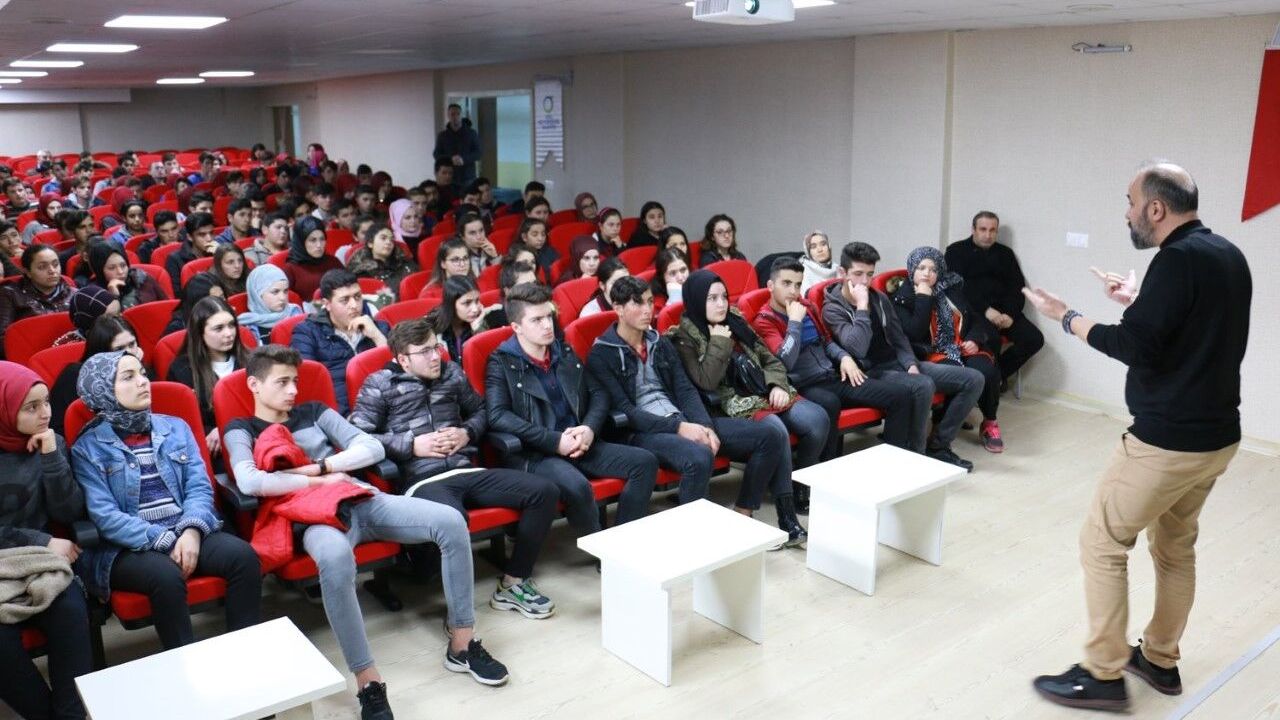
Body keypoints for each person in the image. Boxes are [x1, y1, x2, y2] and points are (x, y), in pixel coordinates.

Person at [1028, 162, 1251, 713]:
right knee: (1174, 546)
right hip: (1216, 437)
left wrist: (1066, 316)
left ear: (1156, 207)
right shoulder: (1226, 254)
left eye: (1130, 202)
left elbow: (1133, 347)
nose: (1126, 213)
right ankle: (1159, 659)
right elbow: (1185, 332)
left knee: (1102, 542)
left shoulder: (1175, 261)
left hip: (1167, 441)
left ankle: (1102, 674)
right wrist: (1137, 303)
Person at [224, 345, 509, 718]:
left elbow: (371, 447)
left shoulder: (315, 411)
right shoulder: (241, 429)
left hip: (360, 498)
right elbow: (250, 481)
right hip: (316, 517)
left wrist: (320, 467)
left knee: (451, 521)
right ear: (254, 385)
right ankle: (367, 681)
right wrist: (317, 482)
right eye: (282, 382)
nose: (293, 390)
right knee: (335, 557)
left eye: (295, 380)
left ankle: (462, 643)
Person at [351, 318, 560, 619]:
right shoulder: (380, 384)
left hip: (465, 469)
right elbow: (357, 437)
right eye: (424, 351)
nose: (435, 356)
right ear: (403, 360)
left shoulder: (452, 373)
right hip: (422, 479)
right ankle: (452, 609)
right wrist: (410, 445)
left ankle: (514, 582)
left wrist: (466, 433)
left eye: (436, 347)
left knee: (544, 491)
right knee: (452, 519)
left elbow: (481, 411)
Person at [586, 277, 802, 545]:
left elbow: (685, 390)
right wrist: (681, 428)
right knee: (699, 457)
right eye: (637, 304)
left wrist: (705, 426)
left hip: (683, 419)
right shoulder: (602, 354)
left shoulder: (659, 342)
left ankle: (744, 512)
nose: (647, 310)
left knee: (770, 436)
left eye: (650, 302)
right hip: (641, 432)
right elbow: (628, 412)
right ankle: (694, 541)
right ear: (618, 308)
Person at [70, 351, 262, 650]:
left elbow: (199, 487)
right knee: (166, 577)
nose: (143, 382)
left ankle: (246, 650)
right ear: (103, 391)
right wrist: (164, 540)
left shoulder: (175, 427)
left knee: (243, 557)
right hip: (129, 546)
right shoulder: (88, 448)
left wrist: (191, 531)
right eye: (128, 377)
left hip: (186, 528)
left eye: (142, 373)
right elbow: (105, 516)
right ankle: (183, 661)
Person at [487, 283, 658, 535]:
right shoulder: (501, 362)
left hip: (580, 441)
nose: (547, 325)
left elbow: (598, 393)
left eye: (549, 316)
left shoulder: (563, 350)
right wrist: (554, 441)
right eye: (537, 320)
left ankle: (622, 539)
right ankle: (598, 548)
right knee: (578, 487)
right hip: (538, 453)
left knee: (645, 462)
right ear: (516, 327)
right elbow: (498, 416)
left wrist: (589, 428)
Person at [668, 269, 824, 537]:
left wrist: (776, 384)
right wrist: (719, 341)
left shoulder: (736, 320)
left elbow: (769, 358)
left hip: (763, 389)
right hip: (727, 403)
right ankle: (785, 516)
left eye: (724, 297)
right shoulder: (683, 338)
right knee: (776, 431)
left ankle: (800, 487)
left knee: (817, 419)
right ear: (695, 300)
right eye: (712, 298)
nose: (721, 304)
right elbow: (706, 382)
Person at [822, 244, 982, 471]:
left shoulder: (879, 298)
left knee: (973, 379)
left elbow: (899, 338)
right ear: (842, 273)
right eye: (858, 274)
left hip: (897, 363)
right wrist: (862, 307)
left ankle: (938, 446)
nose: (865, 281)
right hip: (870, 371)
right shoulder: (832, 308)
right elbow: (857, 348)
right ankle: (915, 455)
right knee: (922, 385)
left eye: (870, 274)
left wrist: (910, 364)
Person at [752, 257, 916, 474]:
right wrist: (794, 323)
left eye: (798, 285)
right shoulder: (764, 320)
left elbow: (827, 341)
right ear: (770, 286)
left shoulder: (807, 306)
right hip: (802, 385)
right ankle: (821, 472)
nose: (793, 291)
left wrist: (844, 357)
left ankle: (893, 466)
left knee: (900, 395)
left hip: (832, 376)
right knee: (830, 402)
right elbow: (784, 362)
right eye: (786, 283)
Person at [0, 361, 92, 720]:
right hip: (18, 556)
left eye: (47, 402)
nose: (45, 414)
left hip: (39, 564)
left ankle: (71, 714)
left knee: (70, 611)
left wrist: (51, 456)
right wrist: (42, 539)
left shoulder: (50, 443)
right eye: (31, 407)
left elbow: (69, 511)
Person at [891, 246, 1005, 453]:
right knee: (959, 374)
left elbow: (974, 318)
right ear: (912, 270)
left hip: (961, 345)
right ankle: (939, 430)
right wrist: (924, 298)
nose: (927, 273)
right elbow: (914, 333)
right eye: (921, 268)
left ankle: (989, 421)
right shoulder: (903, 298)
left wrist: (974, 339)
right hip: (931, 352)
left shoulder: (950, 290)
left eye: (933, 269)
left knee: (987, 371)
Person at [945, 211, 1044, 387]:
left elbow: (1017, 287)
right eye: (983, 229)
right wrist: (987, 311)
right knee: (991, 339)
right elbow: (958, 288)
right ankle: (989, 384)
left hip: (1004, 312)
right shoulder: (955, 251)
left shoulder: (1005, 253)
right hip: (974, 312)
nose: (988, 235)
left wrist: (1010, 314)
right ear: (973, 229)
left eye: (992, 230)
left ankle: (996, 377)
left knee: (1033, 338)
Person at [291, 269, 389, 415]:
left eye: (357, 297)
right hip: (340, 415)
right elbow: (308, 384)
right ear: (327, 304)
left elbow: (402, 371)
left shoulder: (379, 328)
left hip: (387, 408)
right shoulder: (307, 333)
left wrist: (377, 336)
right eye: (345, 300)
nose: (354, 305)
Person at [166, 297, 249, 455]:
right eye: (219, 328)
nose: (229, 333)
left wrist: (226, 429)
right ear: (200, 332)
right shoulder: (181, 370)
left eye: (231, 325)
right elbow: (178, 422)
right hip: (211, 451)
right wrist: (209, 432)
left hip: (255, 442)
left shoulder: (252, 361)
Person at [49, 316, 141, 438]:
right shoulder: (75, 377)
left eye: (132, 344)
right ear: (100, 352)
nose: (129, 353)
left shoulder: (139, 370)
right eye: (119, 349)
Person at [0, 245, 75, 357]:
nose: (52, 271)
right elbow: (3, 339)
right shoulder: (10, 294)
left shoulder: (74, 294)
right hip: (28, 357)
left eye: (55, 264)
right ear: (28, 272)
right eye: (42, 267)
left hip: (69, 353)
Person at [346, 221, 418, 301]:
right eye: (383, 238)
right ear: (370, 243)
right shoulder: (361, 273)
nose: (388, 242)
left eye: (391, 239)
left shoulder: (405, 263)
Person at [84, 241, 167, 309]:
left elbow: (168, 307)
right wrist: (113, 296)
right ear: (99, 271)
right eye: (112, 268)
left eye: (123, 265)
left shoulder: (143, 278)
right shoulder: (93, 295)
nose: (120, 272)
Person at [237, 264, 304, 344]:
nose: (283, 298)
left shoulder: (295, 313)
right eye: (275, 292)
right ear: (258, 295)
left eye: (285, 291)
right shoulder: (247, 324)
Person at [283, 216, 343, 303]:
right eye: (313, 240)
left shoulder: (333, 262)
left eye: (322, 239)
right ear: (301, 242)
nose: (319, 245)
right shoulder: (290, 269)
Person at [427, 276, 486, 360]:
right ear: (451, 304)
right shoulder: (432, 326)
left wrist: (478, 330)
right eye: (467, 303)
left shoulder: (481, 320)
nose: (475, 309)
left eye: (477, 301)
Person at [165, 212, 219, 294]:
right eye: (202, 234)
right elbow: (180, 294)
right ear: (190, 237)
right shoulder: (175, 259)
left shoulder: (219, 251)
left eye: (211, 233)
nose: (209, 239)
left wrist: (220, 256)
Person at [433, 103, 482, 188]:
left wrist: (464, 159)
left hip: (468, 177)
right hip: (449, 177)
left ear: (461, 115)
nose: (455, 117)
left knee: (469, 196)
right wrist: (450, 159)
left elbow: (479, 153)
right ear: (448, 116)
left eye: (458, 114)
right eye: (452, 114)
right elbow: (436, 154)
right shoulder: (443, 135)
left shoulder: (471, 133)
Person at [56, 285, 121, 347]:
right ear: (91, 322)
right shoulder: (69, 346)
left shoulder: (122, 333)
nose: (119, 320)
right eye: (111, 317)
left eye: (119, 312)